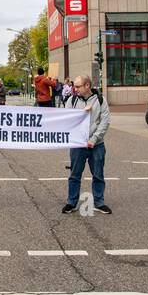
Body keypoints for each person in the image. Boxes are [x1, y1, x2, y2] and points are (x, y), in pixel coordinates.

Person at [61, 75, 111, 215]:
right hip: (78, 145)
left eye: (78, 86)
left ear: (87, 85)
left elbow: (105, 122)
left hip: (97, 145)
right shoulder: (72, 100)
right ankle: (72, 202)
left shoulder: (100, 101)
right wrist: (81, 113)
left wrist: (94, 139)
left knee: (98, 174)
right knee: (74, 175)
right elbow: (67, 120)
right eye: (74, 86)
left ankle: (99, 202)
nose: (74, 89)